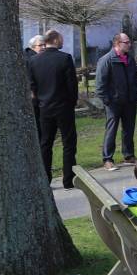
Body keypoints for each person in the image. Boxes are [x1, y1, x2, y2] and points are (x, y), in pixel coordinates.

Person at [28, 29, 78, 188]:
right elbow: (72, 85)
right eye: (61, 39)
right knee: (68, 143)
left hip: (44, 108)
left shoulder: (34, 61)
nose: (62, 42)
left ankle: (46, 179)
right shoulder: (65, 58)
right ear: (55, 40)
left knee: (45, 144)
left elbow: (32, 86)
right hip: (63, 107)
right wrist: (72, 102)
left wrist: (39, 104)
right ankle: (68, 179)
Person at [95, 30, 137, 171]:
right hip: (114, 103)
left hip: (129, 101)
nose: (129, 45)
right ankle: (108, 159)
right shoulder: (107, 60)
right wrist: (108, 101)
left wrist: (134, 94)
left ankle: (129, 155)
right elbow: (100, 85)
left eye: (129, 42)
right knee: (111, 130)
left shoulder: (130, 59)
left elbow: (134, 78)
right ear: (117, 44)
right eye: (126, 42)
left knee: (129, 129)